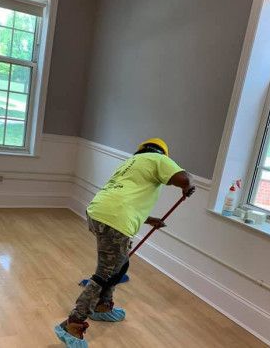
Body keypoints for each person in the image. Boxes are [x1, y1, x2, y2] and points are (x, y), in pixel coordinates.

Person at [54, 138, 195, 347]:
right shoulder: (158, 158)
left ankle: (103, 306)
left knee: (121, 263)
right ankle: (73, 324)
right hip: (115, 220)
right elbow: (183, 178)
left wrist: (149, 219)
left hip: (97, 212)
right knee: (105, 274)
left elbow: (125, 198)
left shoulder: (130, 163)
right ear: (163, 153)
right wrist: (188, 185)